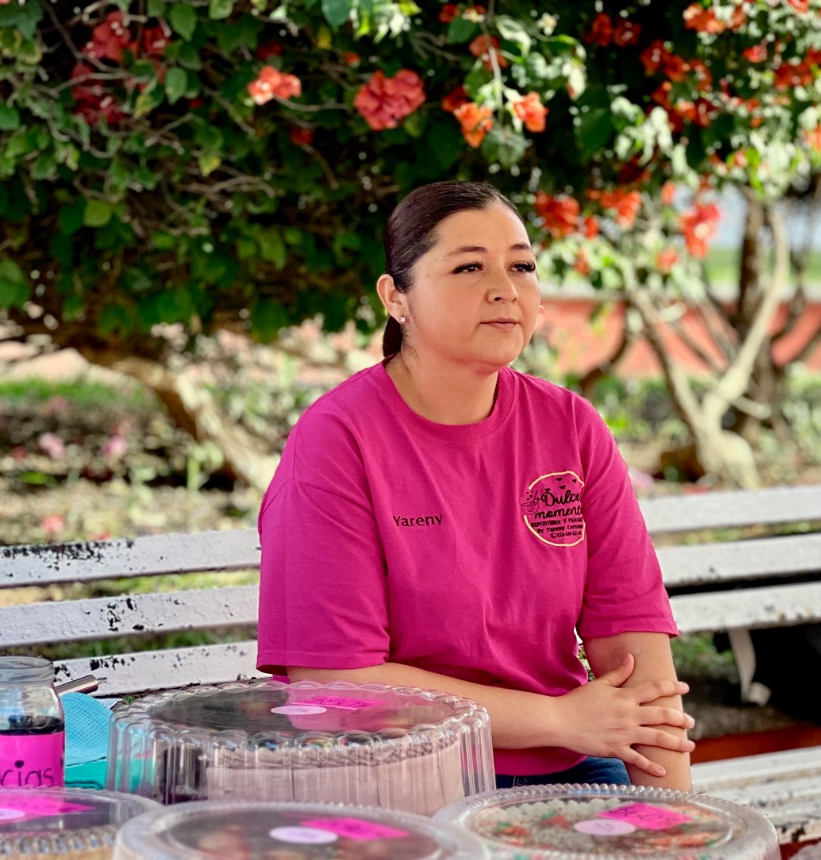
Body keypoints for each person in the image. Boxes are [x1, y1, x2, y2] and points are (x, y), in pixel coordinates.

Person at [256, 180, 693, 790]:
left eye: (522, 266)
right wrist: (557, 718)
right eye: (468, 267)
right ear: (396, 297)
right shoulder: (338, 439)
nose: (505, 289)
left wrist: (672, 824)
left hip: (571, 764)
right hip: (399, 776)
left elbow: (634, 648)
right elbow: (335, 684)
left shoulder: (570, 425)